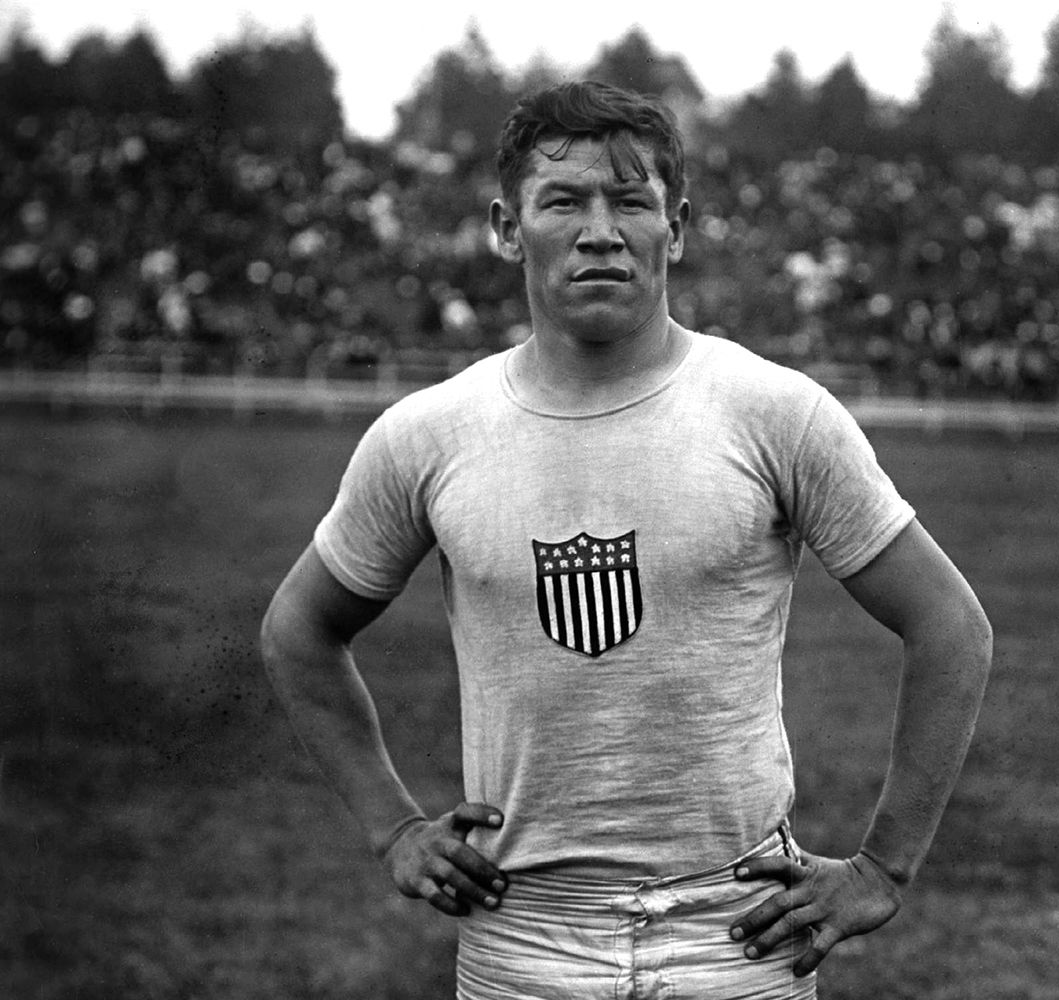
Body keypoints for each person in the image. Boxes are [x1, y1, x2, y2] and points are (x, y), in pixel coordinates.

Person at [259, 80, 992, 1000]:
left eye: (631, 201)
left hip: (735, 935)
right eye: (563, 200)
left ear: (674, 230)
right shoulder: (429, 435)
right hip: (519, 935)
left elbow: (951, 628)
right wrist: (393, 828)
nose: (599, 229)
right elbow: (298, 631)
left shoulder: (776, 414)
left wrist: (884, 869)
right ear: (505, 227)